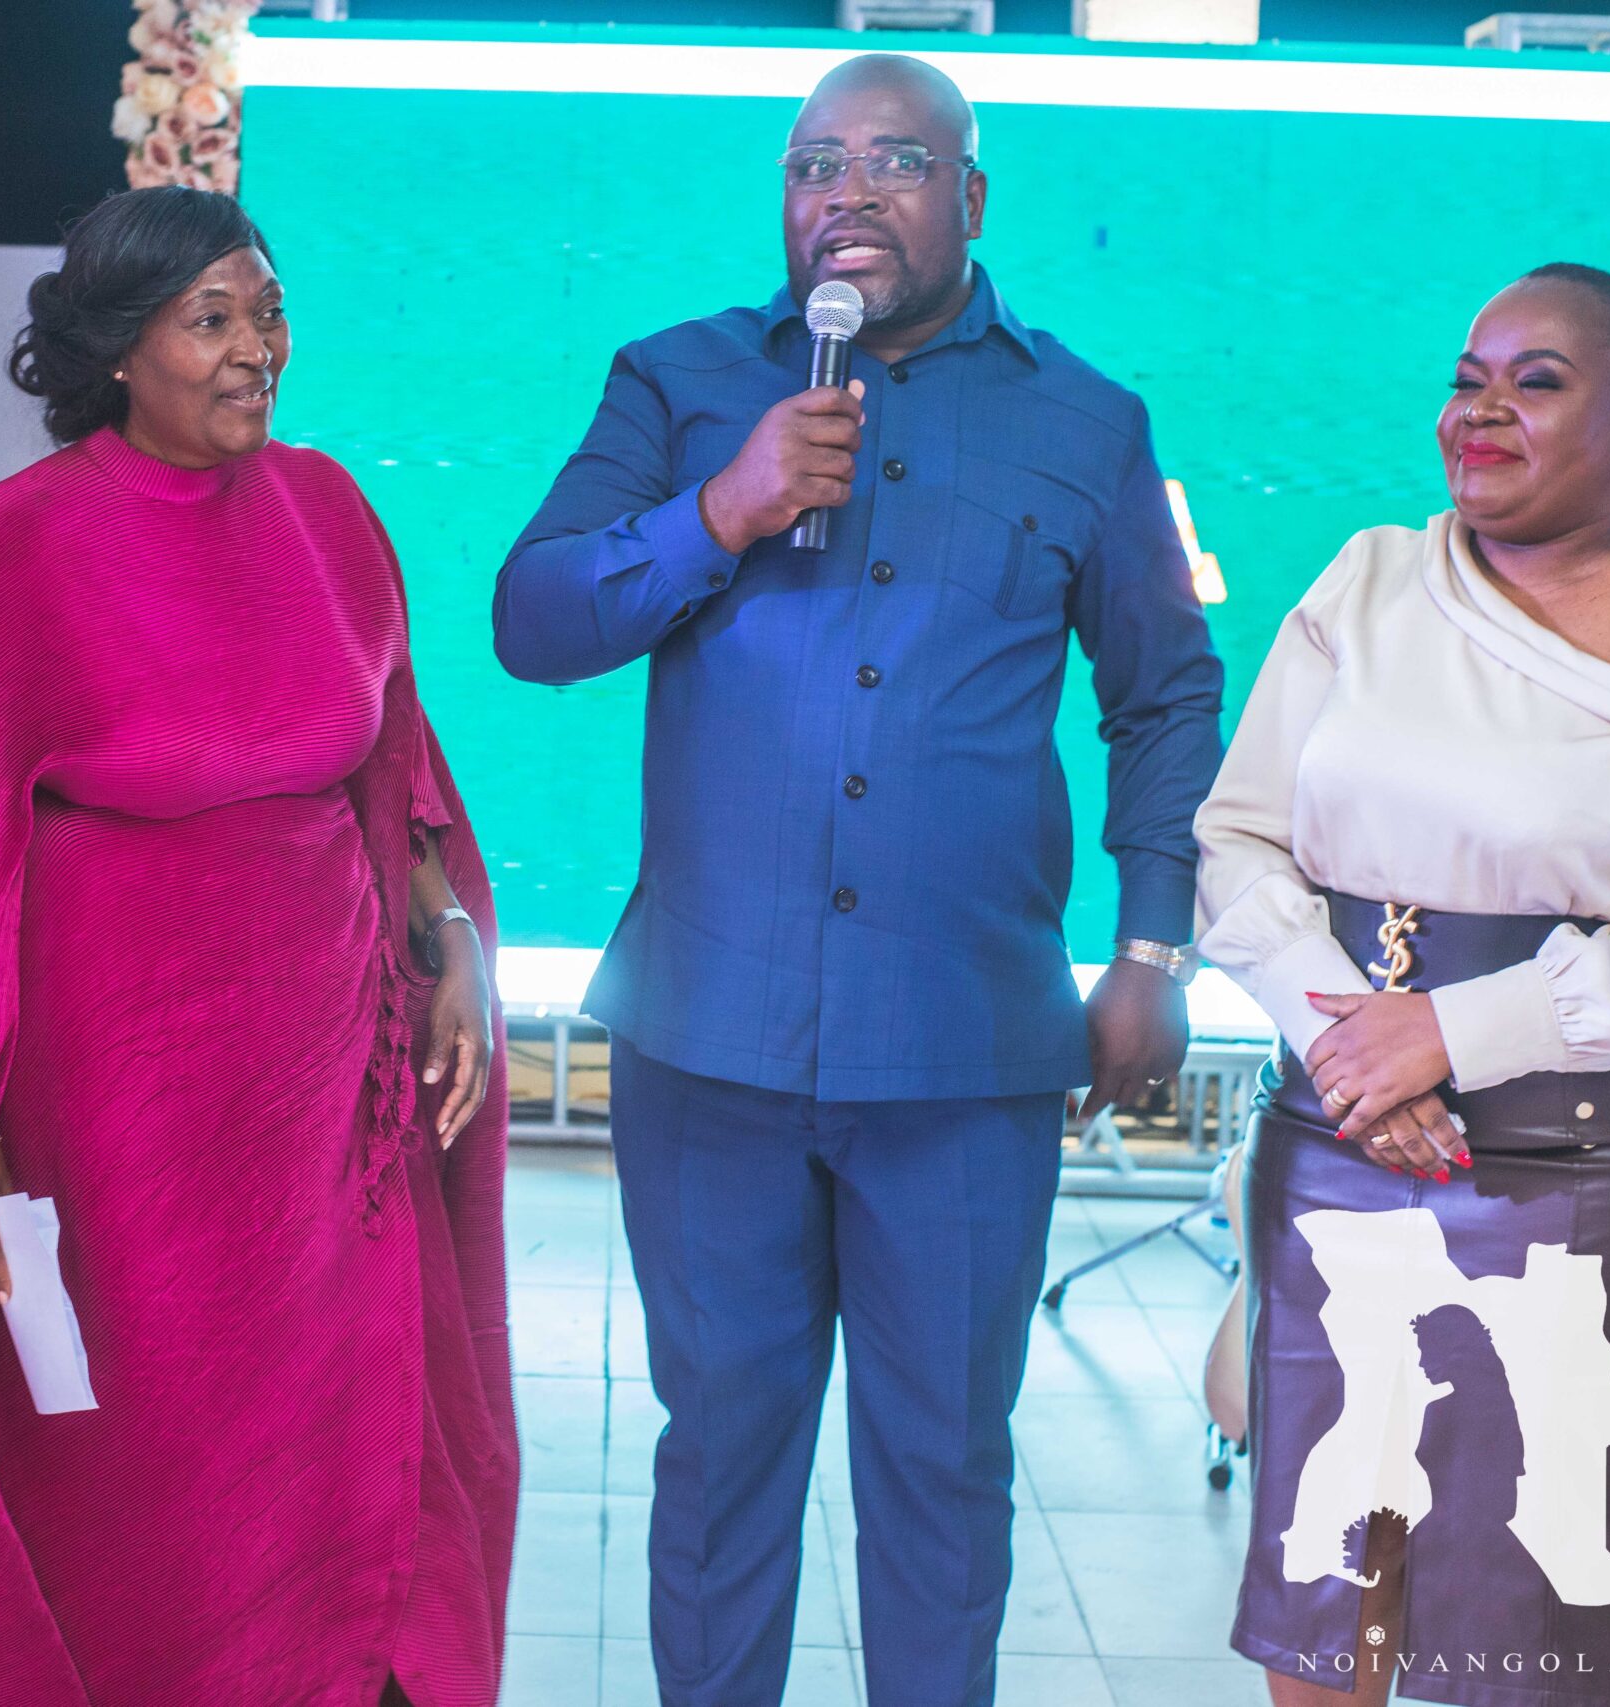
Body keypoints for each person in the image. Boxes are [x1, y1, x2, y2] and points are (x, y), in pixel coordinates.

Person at [494, 52, 1223, 1707]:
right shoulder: (678, 380)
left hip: (962, 1051)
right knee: (718, 1460)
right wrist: (721, 510)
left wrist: (1153, 952)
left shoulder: (1089, 421)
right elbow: (533, 620)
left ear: (972, 196)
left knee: (944, 1473)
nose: (846, 194)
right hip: (711, 1039)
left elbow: (1166, 697)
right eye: (814, 163)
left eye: (894, 162)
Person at [0, 186, 516, 1707]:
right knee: (145, 1474)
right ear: (119, 349)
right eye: (213, 320)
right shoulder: (18, 545)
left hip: (332, 1103)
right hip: (122, 1123)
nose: (259, 350)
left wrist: (453, 942)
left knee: (342, 1430)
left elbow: (398, 776)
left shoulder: (327, 509)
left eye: (270, 312)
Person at [1197, 263, 1610, 1707]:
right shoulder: (1373, 577)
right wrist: (1353, 1057)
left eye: (1536, 382)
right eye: (1468, 380)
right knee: (1332, 1591)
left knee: (1564, 1607)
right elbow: (1239, 841)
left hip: (1599, 1169)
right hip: (1345, 1143)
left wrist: (1450, 1031)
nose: (1482, 410)